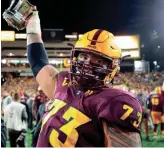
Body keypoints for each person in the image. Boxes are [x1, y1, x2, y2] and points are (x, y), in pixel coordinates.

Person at [4, 5, 142, 147]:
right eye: (83, 56)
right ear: (75, 56)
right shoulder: (64, 83)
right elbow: (38, 61)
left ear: (112, 67)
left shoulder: (115, 102)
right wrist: (33, 23)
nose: (87, 64)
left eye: (98, 60)